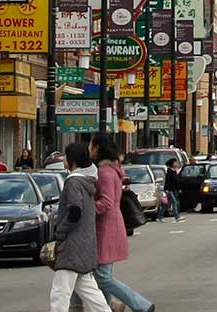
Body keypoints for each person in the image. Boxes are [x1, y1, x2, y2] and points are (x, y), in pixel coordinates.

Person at [90, 133, 156, 312]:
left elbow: (106, 202)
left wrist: (87, 207)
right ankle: (106, 308)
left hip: (105, 226)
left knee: (102, 277)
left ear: (97, 148)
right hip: (112, 224)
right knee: (103, 274)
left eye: (91, 145)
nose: (89, 149)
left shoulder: (104, 173)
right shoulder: (112, 170)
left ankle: (141, 305)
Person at [50, 141, 113, 312]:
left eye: (66, 155)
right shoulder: (88, 181)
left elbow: (74, 211)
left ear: (73, 160)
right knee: (89, 290)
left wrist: (60, 232)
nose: (63, 159)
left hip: (71, 244)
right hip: (85, 243)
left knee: (60, 292)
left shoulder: (73, 182)